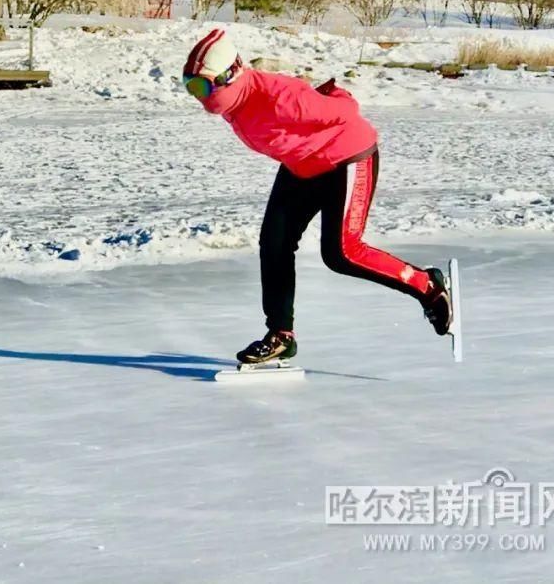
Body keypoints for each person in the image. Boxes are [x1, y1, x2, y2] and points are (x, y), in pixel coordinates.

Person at [182, 28, 453, 364]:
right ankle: (281, 334)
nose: (196, 95)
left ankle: (426, 284)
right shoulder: (233, 103)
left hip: (347, 156)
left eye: (200, 86)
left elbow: (346, 112)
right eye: (189, 86)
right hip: (303, 164)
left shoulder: (281, 97)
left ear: (229, 76)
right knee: (275, 242)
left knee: (342, 254)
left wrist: (333, 96)